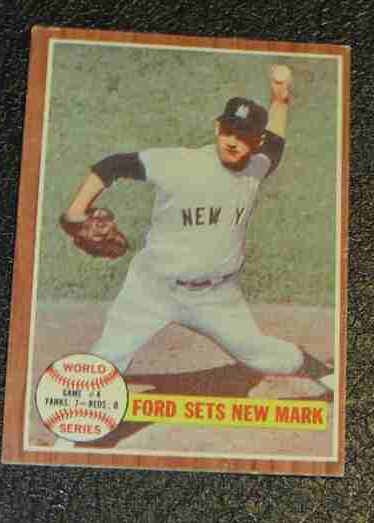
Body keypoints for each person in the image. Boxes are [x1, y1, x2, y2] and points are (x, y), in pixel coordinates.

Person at [63, 65, 306, 377]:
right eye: (228, 130)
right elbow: (113, 165)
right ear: (217, 127)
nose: (233, 141)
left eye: (244, 135)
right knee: (105, 361)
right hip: (152, 288)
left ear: (257, 141)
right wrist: (76, 211)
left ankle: (320, 370)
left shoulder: (255, 169)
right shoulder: (178, 164)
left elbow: (276, 144)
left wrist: (280, 99)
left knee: (269, 357)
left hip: (216, 297)